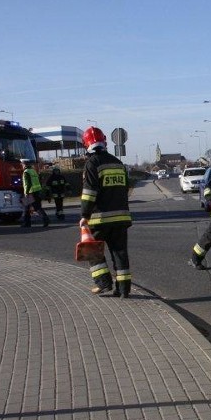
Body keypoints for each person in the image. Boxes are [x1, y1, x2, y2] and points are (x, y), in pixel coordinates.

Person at [79, 126, 133, 298]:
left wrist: (84, 215)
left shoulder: (92, 163)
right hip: (121, 217)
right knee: (120, 253)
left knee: (92, 251)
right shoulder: (117, 163)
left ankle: (103, 283)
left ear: (86, 144)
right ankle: (124, 289)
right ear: (105, 142)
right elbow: (125, 188)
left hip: (99, 219)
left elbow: (89, 193)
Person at [21, 160, 50, 228]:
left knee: (26, 208)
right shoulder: (33, 171)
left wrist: (26, 193)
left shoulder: (26, 172)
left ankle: (27, 223)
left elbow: (28, 184)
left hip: (30, 192)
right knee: (37, 207)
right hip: (37, 191)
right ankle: (45, 219)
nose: (22, 165)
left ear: (24, 165)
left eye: (22, 164)